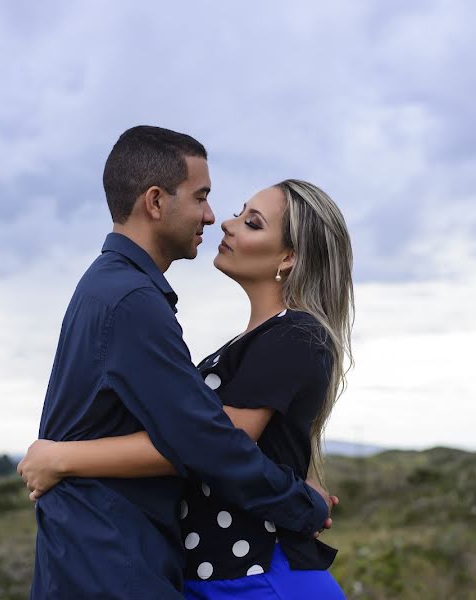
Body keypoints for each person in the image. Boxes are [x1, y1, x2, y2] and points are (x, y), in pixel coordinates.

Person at [18, 126, 335, 600]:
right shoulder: (131, 301)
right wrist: (302, 503)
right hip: (111, 561)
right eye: (203, 198)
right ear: (155, 202)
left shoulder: (118, 291)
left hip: (160, 563)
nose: (215, 218)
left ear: (288, 256)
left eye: (250, 221)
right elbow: (209, 444)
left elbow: (210, 440)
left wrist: (61, 457)